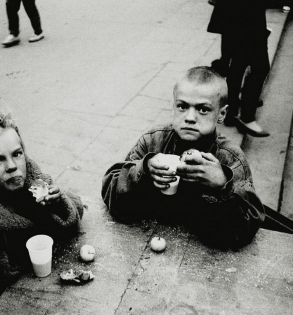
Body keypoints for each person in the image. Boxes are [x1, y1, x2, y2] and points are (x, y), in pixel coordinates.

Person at [102, 66, 265, 248]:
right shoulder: (154, 140)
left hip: (200, 254)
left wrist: (222, 185)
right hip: (148, 241)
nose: (190, 117)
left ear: (221, 114)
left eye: (203, 109)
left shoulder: (229, 157)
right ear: (173, 106)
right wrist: (143, 169)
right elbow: (114, 199)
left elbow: (244, 230)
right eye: (182, 106)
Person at [0, 107, 84, 315]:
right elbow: (0, 280)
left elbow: (73, 216)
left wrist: (57, 204)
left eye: (17, 154)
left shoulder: (33, 183)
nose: (13, 167)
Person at [220, 0, 271, 137]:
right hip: (247, 15)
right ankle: (245, 116)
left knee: (239, 62)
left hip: (241, 14)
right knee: (260, 67)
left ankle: (232, 110)